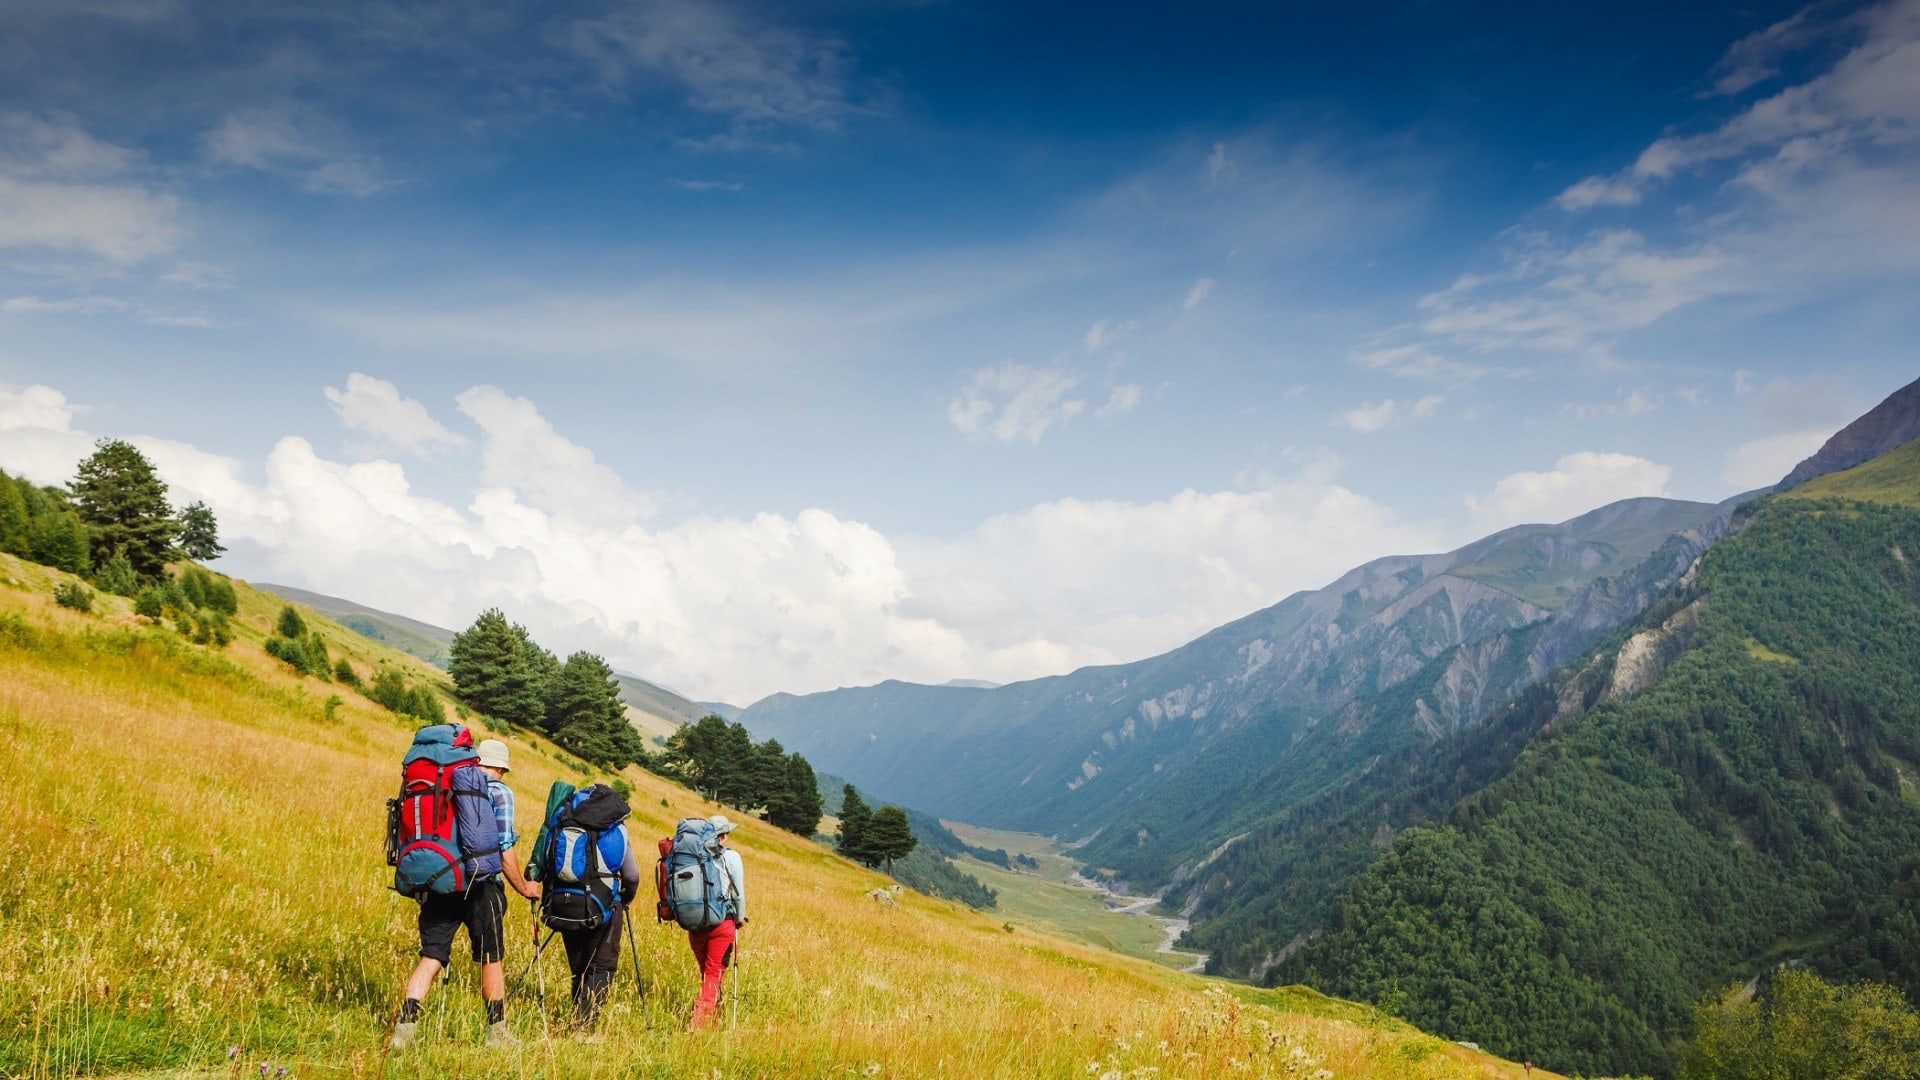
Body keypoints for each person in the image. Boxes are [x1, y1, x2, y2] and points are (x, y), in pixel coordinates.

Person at [390, 736, 537, 1050]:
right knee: (490, 957)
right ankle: (497, 1034)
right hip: (483, 887)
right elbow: (504, 847)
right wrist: (523, 888)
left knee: (432, 956)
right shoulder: (499, 792)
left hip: (441, 880)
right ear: (499, 768)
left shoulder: (445, 785)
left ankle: (404, 1028)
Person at [551, 785, 641, 1040]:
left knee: (578, 966)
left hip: (563, 903)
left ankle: (575, 1018)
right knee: (601, 966)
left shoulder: (562, 822)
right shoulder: (616, 830)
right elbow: (632, 876)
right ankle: (584, 1027)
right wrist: (626, 897)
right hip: (604, 906)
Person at [687, 813, 747, 1029]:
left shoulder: (693, 856)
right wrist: (739, 918)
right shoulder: (731, 857)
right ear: (723, 835)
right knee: (713, 974)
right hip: (722, 923)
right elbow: (738, 894)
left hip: (695, 925)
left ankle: (713, 1015)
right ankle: (699, 1022)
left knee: (708, 973)